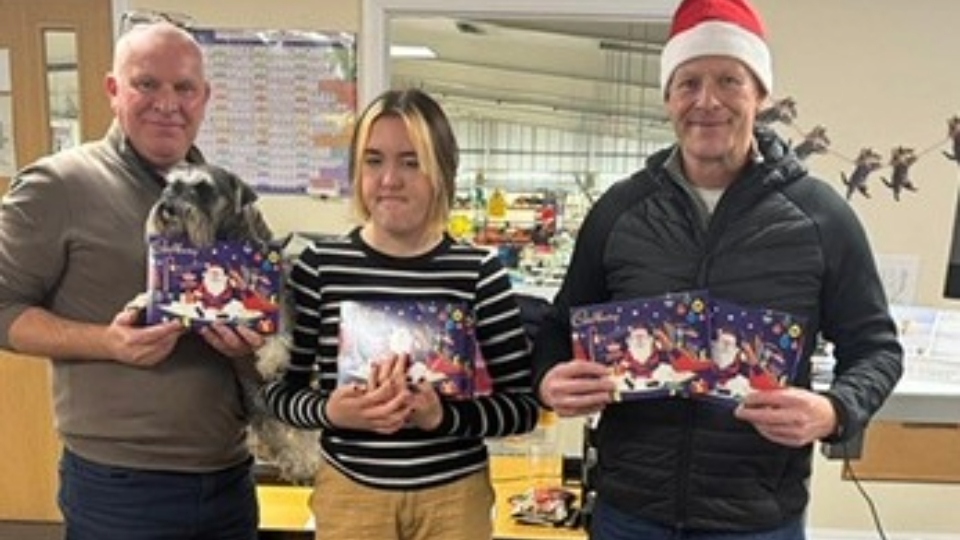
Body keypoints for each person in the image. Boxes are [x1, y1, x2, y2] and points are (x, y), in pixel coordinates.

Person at [531, 0, 904, 539]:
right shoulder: (618, 211)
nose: (707, 102)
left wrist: (835, 411)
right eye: (688, 83)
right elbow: (559, 327)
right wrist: (549, 379)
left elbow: (875, 347)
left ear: (761, 96)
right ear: (668, 98)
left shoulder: (823, 217)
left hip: (756, 519)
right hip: (630, 513)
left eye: (729, 80)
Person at [0, 21, 267, 540]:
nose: (167, 103)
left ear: (204, 98)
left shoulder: (229, 197)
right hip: (121, 487)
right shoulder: (56, 186)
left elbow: (264, 306)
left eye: (184, 87)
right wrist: (108, 342)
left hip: (230, 474)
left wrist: (252, 338)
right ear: (113, 90)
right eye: (147, 84)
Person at [262, 88, 540, 540]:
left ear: (442, 172)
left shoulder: (478, 272)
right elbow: (278, 393)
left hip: (455, 497)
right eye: (374, 160)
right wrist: (332, 410)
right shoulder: (318, 268)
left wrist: (442, 418)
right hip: (351, 493)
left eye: (411, 162)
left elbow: (522, 408)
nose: (390, 178)